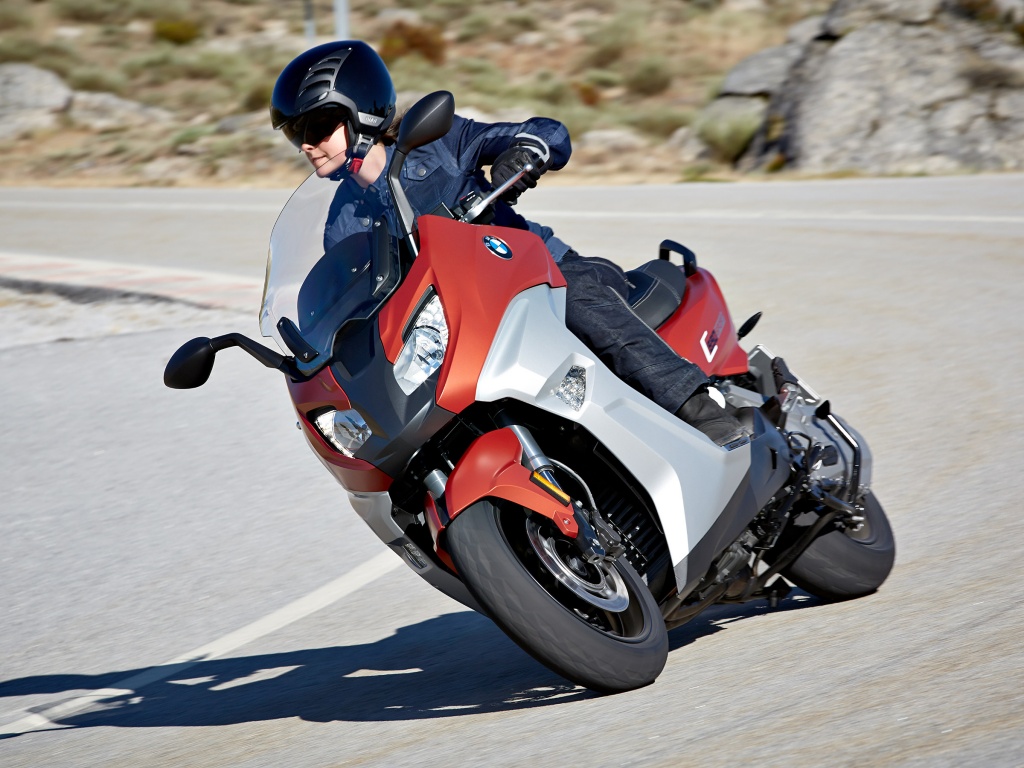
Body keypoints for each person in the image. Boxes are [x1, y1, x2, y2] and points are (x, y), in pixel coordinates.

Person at [270, 41, 749, 448]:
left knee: (578, 302)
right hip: (464, 320)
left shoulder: (438, 143)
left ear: (363, 112)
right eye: (297, 134)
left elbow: (546, 132)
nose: (307, 145)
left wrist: (525, 152)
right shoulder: (343, 221)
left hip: (539, 273)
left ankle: (698, 407)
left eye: (318, 128)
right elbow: (352, 300)